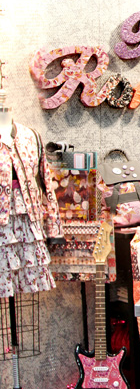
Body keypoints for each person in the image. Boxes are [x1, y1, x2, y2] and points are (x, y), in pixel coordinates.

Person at [0, 89, 63, 298]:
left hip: (28, 223)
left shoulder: (31, 137)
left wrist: (54, 229)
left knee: (27, 293)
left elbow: (46, 184)